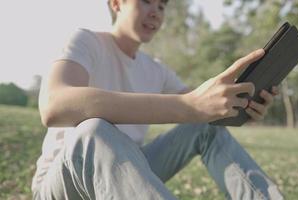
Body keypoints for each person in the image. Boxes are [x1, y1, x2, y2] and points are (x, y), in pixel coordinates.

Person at [31, 0, 284, 199]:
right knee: (93, 132)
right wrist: (188, 106)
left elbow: (206, 107)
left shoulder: (156, 69)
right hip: (65, 183)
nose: (156, 12)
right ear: (116, 3)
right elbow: (54, 104)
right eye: (146, 1)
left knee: (203, 127)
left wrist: (241, 106)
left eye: (162, 5)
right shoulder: (86, 40)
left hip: (125, 174)